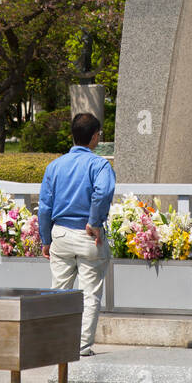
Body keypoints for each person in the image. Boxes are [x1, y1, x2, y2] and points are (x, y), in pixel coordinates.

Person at [38, 112, 116, 356]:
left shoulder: (55, 166)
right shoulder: (100, 165)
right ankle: (82, 345)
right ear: (94, 137)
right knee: (90, 293)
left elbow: (45, 207)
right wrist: (94, 221)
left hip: (60, 233)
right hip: (87, 234)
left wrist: (45, 239)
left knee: (59, 292)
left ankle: (56, 341)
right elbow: (103, 193)